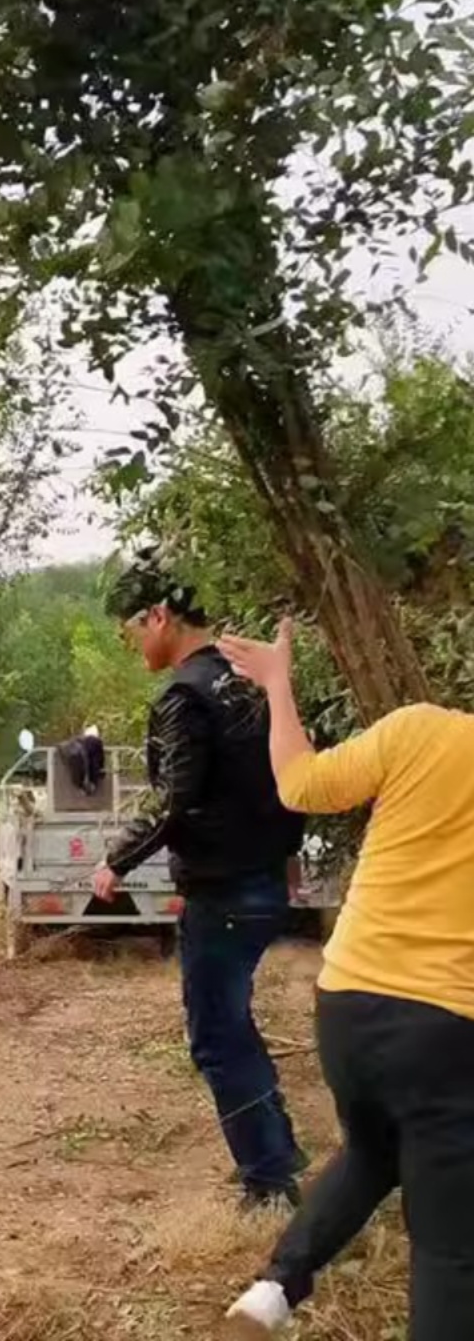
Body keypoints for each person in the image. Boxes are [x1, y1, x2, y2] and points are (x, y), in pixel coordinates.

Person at [219, 622, 474, 1341]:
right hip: (448, 1026)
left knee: (375, 1149)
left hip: (349, 1003)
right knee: (453, 1248)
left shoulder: (419, 730)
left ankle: (272, 1291)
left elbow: (300, 784)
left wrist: (276, 683)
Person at [92, 561, 305, 1210]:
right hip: (264, 881)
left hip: (226, 893)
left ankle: (268, 1183)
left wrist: (116, 861)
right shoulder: (246, 683)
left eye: (131, 631)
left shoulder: (186, 697)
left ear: (158, 617)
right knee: (234, 1025)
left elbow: (175, 801)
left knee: (217, 1036)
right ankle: (275, 1153)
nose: (133, 646)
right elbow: (287, 777)